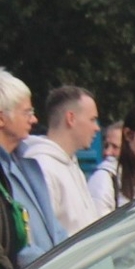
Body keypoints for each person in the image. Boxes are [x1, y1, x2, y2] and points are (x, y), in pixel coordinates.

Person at [26, 85, 109, 237]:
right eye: (92, 119)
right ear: (71, 118)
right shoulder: (42, 167)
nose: (96, 128)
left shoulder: (71, 164)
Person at [0, 69, 62, 269]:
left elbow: (54, 230)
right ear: (1, 119)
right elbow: (21, 247)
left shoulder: (28, 162)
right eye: (27, 112)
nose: (34, 120)